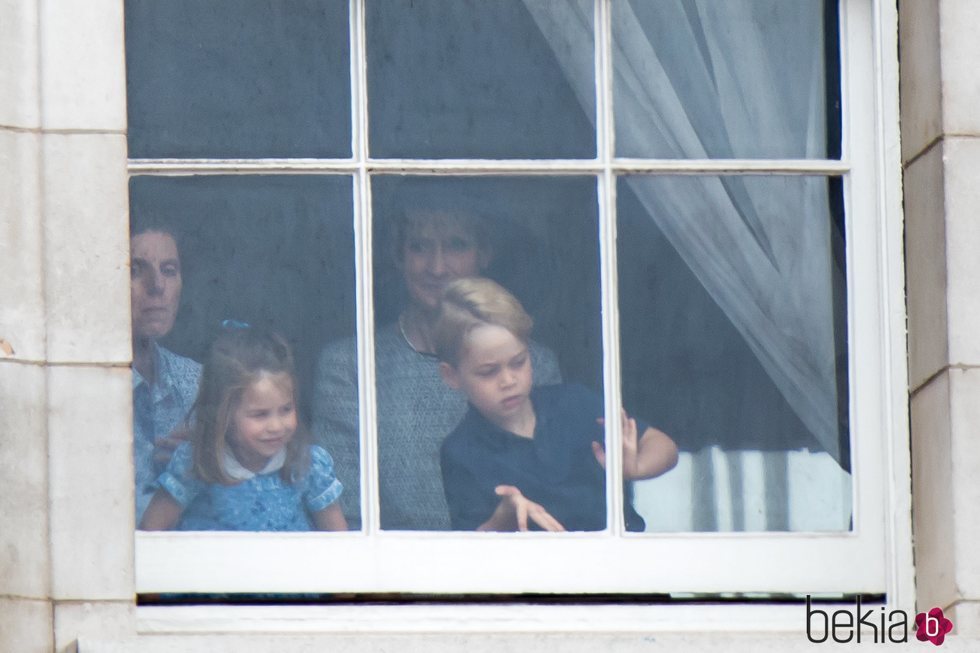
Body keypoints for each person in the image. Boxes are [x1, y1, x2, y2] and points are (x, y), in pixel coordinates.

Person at [313, 206, 561, 530]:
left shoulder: (533, 364)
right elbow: (344, 512)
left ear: (484, 254)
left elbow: (553, 495)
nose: (437, 267)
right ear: (398, 255)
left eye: (457, 245)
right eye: (419, 247)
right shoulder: (349, 366)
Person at [435, 277, 678, 532]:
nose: (508, 380)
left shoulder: (575, 403)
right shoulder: (461, 452)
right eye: (488, 372)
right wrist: (503, 518)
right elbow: (470, 550)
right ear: (451, 376)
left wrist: (636, 468)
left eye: (518, 362)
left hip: (617, 562)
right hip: (539, 569)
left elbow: (662, 445)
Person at [140, 327, 347, 531]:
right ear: (224, 415)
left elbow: (340, 543)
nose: (276, 426)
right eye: (260, 415)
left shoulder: (307, 465)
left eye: (286, 410)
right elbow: (151, 531)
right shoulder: (198, 462)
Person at [131, 220, 202, 523]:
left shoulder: (198, 381)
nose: (157, 286)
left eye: (169, 270)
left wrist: (211, 454)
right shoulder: (82, 384)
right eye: (135, 269)